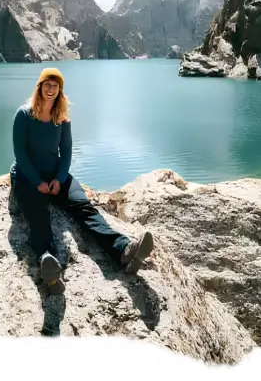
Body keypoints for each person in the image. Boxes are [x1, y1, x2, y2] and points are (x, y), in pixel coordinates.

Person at [9, 67, 154, 295]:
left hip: (56, 174)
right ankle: (48, 263)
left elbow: (66, 152)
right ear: (39, 87)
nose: (51, 89)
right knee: (38, 213)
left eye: (55, 86)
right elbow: (20, 154)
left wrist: (58, 179)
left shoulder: (62, 118)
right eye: (47, 84)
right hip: (27, 176)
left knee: (84, 208)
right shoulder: (24, 114)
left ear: (60, 90)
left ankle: (124, 250)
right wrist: (38, 182)